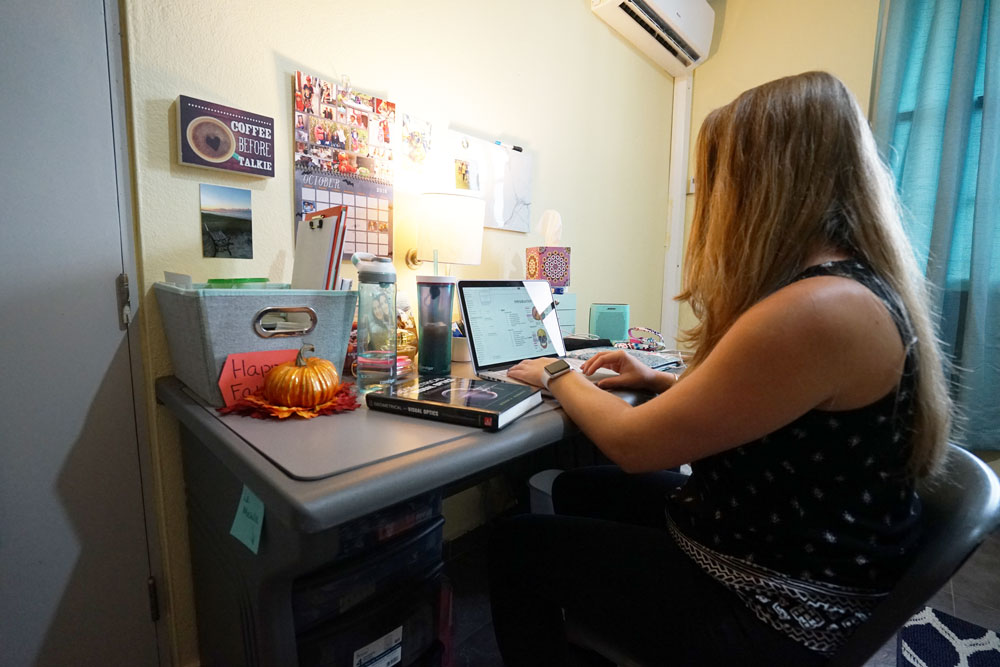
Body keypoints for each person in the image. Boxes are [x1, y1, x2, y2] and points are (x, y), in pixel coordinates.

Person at [489, 71, 953, 666]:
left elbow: (631, 443)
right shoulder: (850, 287)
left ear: (765, 184)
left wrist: (558, 372)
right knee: (578, 487)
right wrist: (659, 381)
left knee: (516, 544)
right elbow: (784, 411)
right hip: (787, 544)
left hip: (779, 607)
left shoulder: (818, 308)